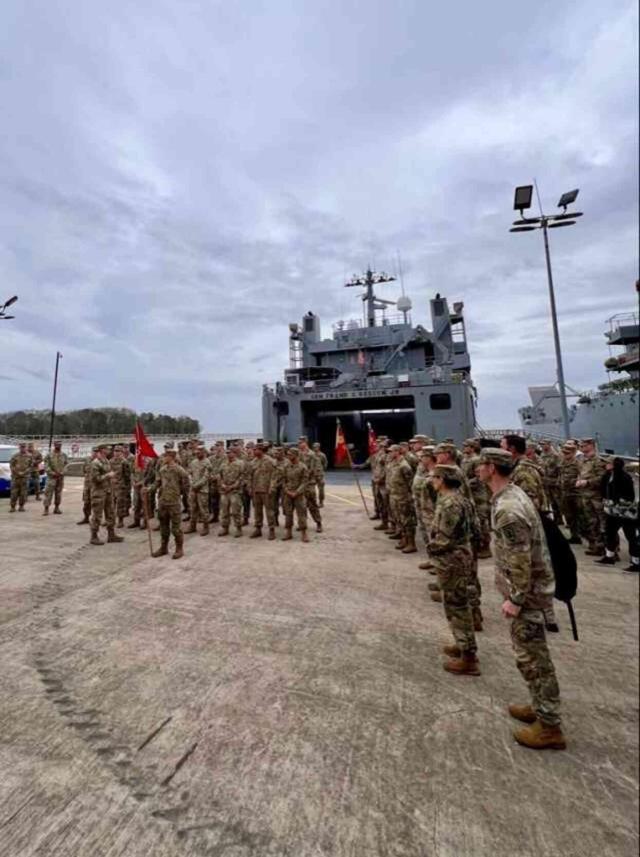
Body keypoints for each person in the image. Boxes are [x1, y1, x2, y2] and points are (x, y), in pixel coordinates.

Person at [477, 447, 566, 750]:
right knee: (532, 656)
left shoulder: (508, 509)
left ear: (492, 468)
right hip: (530, 592)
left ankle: (550, 726)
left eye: (482, 465)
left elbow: (520, 559)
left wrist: (515, 598)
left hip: (527, 597)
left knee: (533, 659)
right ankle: (539, 706)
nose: (478, 469)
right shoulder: (510, 495)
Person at [428, 464, 480, 676]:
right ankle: (462, 643)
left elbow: (444, 539)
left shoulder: (450, 504)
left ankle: (468, 657)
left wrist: (431, 549)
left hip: (452, 560)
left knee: (456, 606)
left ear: (442, 480)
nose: (432, 480)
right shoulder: (461, 498)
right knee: (457, 604)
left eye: (435, 477)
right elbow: (476, 528)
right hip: (459, 556)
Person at [144, 447, 189, 558]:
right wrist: (149, 489)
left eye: (166, 456)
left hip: (174, 503)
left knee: (176, 528)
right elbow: (157, 483)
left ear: (172, 457)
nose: (164, 458)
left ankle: (179, 549)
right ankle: (163, 548)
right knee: (164, 527)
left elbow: (186, 486)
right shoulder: (162, 470)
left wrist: (179, 495)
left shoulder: (180, 470)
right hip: (163, 502)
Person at [597, 457, 639, 572]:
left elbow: (629, 496)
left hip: (625, 513)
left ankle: (636, 562)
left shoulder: (625, 477)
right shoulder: (607, 476)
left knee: (631, 536)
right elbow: (603, 489)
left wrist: (617, 501)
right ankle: (609, 556)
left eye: (608, 463)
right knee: (609, 532)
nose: (605, 464)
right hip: (612, 512)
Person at [576, 438, 607, 556]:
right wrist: (579, 480)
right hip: (585, 496)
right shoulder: (582, 460)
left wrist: (587, 482)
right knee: (592, 522)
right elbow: (581, 473)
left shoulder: (598, 461)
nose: (582, 447)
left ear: (591, 445)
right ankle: (597, 546)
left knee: (603, 523)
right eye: (581, 446)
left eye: (584, 445)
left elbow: (602, 478)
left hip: (596, 497)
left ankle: (610, 549)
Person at [89, 445, 123, 546]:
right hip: (98, 493)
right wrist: (108, 476)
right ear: (102, 450)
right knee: (97, 516)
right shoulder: (95, 463)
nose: (109, 450)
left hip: (108, 491)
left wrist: (111, 479)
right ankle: (94, 536)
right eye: (107, 449)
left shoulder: (106, 461)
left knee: (110, 513)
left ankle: (111, 535)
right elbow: (96, 479)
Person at [386, 444, 417, 553]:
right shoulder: (394, 464)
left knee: (407, 521)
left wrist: (410, 497)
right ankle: (404, 539)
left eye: (391, 451)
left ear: (398, 452)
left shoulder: (404, 466)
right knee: (399, 520)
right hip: (394, 496)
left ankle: (411, 543)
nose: (389, 453)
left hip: (403, 497)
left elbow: (410, 483)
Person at [282, 446, 309, 542]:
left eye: (290, 454)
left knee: (301, 514)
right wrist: (287, 491)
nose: (288, 456)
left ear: (296, 455)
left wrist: (297, 492)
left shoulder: (303, 467)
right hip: (288, 494)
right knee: (288, 514)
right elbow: (283, 480)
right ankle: (288, 533)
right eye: (288, 454)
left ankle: (304, 533)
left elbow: (305, 482)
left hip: (299, 495)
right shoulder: (286, 466)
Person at [250, 443, 276, 539]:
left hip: (266, 490)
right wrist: (250, 488)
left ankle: (272, 529)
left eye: (256, 449)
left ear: (261, 450)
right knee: (257, 511)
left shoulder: (270, 461)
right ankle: (258, 529)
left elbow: (274, 476)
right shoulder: (253, 462)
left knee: (269, 511)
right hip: (256, 490)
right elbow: (250, 476)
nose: (254, 451)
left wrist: (272, 487)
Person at [186, 444, 212, 536]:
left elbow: (206, 477)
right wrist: (191, 482)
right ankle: (192, 526)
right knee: (192, 508)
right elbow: (189, 473)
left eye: (199, 452)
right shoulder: (193, 462)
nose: (197, 454)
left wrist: (197, 485)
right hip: (193, 489)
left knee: (203, 509)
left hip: (202, 490)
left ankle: (206, 527)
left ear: (204, 452)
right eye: (196, 452)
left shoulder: (207, 463)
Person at [298, 437, 323, 533]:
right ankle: (303, 524)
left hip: (309, 483)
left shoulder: (312, 455)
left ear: (305, 442)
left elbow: (315, 469)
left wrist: (316, 480)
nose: (299, 444)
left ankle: (318, 523)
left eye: (301, 442)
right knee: (301, 506)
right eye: (299, 443)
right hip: (300, 484)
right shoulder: (298, 454)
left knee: (312, 505)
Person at [559, 441, 582, 544]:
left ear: (573, 453)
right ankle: (574, 536)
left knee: (581, 517)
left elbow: (582, 476)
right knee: (569, 516)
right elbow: (561, 475)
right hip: (565, 493)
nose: (565, 455)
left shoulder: (578, 464)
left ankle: (591, 540)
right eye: (564, 453)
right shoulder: (563, 462)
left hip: (576, 494)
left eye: (567, 453)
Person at [218, 447, 244, 537]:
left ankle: (238, 528)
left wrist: (233, 486)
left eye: (230, 453)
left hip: (235, 491)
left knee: (236, 511)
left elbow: (242, 476)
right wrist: (222, 484)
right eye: (227, 453)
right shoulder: (223, 463)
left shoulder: (240, 463)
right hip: (225, 491)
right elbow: (220, 475)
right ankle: (225, 528)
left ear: (234, 453)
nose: (228, 454)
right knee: (224, 511)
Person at [42, 440, 68, 515]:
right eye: (57, 445)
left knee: (58, 494)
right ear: (54, 445)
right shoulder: (49, 455)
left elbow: (66, 465)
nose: (58, 446)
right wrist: (52, 473)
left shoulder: (64, 455)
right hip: (51, 478)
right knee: (48, 493)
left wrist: (62, 472)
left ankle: (57, 508)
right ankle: (46, 509)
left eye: (60, 445)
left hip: (60, 478)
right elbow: (46, 466)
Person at [9, 442, 31, 512]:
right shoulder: (15, 456)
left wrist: (24, 472)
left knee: (23, 493)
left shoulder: (29, 456)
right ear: (19, 447)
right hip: (16, 477)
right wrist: (17, 472)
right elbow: (11, 465)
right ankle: (13, 507)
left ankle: (21, 506)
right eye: (21, 447)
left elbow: (31, 466)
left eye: (24, 447)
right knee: (14, 493)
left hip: (25, 477)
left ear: (26, 447)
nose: (23, 448)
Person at [312, 442, 328, 507]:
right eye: (314, 447)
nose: (315, 448)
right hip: (312, 475)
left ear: (319, 447)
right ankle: (312, 502)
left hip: (319, 475)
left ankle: (321, 502)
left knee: (321, 489)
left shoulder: (322, 455)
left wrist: (321, 470)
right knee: (311, 490)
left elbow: (325, 464)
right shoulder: (311, 455)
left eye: (316, 447)